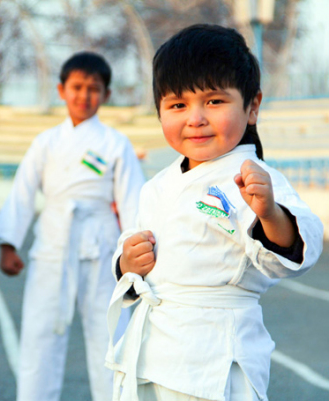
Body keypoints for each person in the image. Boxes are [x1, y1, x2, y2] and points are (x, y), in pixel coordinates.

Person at [105, 25, 324, 401]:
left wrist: (270, 213)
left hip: (214, 361)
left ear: (252, 106)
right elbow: (135, 242)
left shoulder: (254, 180)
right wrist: (127, 261)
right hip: (151, 354)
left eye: (214, 101)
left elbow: (297, 249)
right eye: (178, 105)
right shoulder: (157, 184)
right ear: (159, 111)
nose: (195, 118)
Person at [0, 51, 145, 401]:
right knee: (39, 336)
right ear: (61, 90)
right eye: (76, 87)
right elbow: (22, 193)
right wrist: (8, 246)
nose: (84, 95)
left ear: (106, 95)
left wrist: (134, 257)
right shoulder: (45, 142)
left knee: (110, 339)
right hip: (52, 244)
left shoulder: (115, 143)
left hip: (103, 248)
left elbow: (134, 201)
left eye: (94, 88)